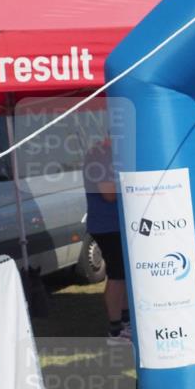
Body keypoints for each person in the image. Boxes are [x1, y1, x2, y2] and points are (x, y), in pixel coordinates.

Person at [83, 137, 130, 345]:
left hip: (118, 224)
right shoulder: (99, 155)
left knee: (125, 275)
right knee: (118, 275)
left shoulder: (112, 154)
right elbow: (109, 193)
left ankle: (126, 323)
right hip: (107, 225)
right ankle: (115, 329)